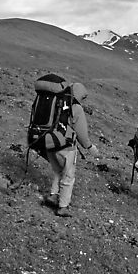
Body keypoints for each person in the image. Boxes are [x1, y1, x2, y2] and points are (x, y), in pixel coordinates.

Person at [42, 82, 99, 217]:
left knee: (57, 171)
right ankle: (63, 207)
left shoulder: (57, 101)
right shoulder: (76, 108)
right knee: (68, 176)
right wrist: (90, 147)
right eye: (83, 97)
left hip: (49, 141)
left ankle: (53, 195)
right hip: (66, 146)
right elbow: (82, 133)